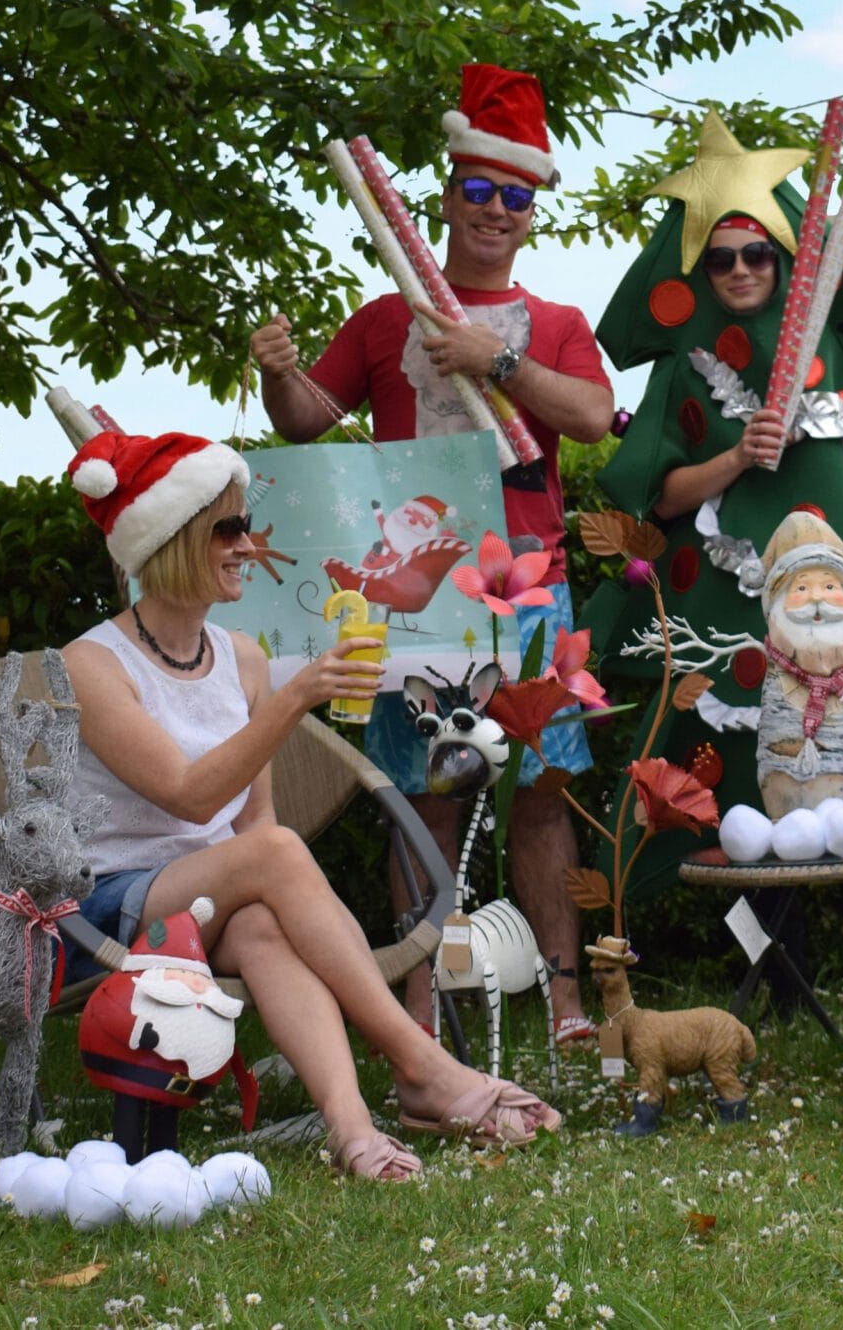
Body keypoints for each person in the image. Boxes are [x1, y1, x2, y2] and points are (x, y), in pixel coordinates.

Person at [57, 428, 563, 1179]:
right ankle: (421, 1067)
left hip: (213, 902)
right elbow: (192, 798)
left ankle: (353, 1130)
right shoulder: (91, 663)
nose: (246, 544)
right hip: (108, 910)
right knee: (275, 855)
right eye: (227, 527)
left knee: (264, 920)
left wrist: (279, 703)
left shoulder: (244, 657)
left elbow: (252, 825)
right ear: (171, 540)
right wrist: (299, 698)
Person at [247, 63, 615, 1041]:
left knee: (542, 793)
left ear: (532, 210)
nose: (495, 210)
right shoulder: (382, 319)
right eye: (479, 190)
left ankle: (567, 999)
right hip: (416, 603)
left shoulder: (561, 325)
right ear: (446, 195)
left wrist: (494, 360)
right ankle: (418, 1002)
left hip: (530, 590)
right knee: (421, 800)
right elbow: (303, 419)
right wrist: (279, 373)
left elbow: (589, 413)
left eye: (515, 196)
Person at [584, 115, 843, 1004]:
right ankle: (776, 974)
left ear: (787, 259)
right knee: (741, 782)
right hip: (729, 609)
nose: (739, 272)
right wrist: (735, 457)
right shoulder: (685, 369)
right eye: (720, 258)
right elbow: (659, 492)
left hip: (842, 603)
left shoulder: (832, 347)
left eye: (757, 256)